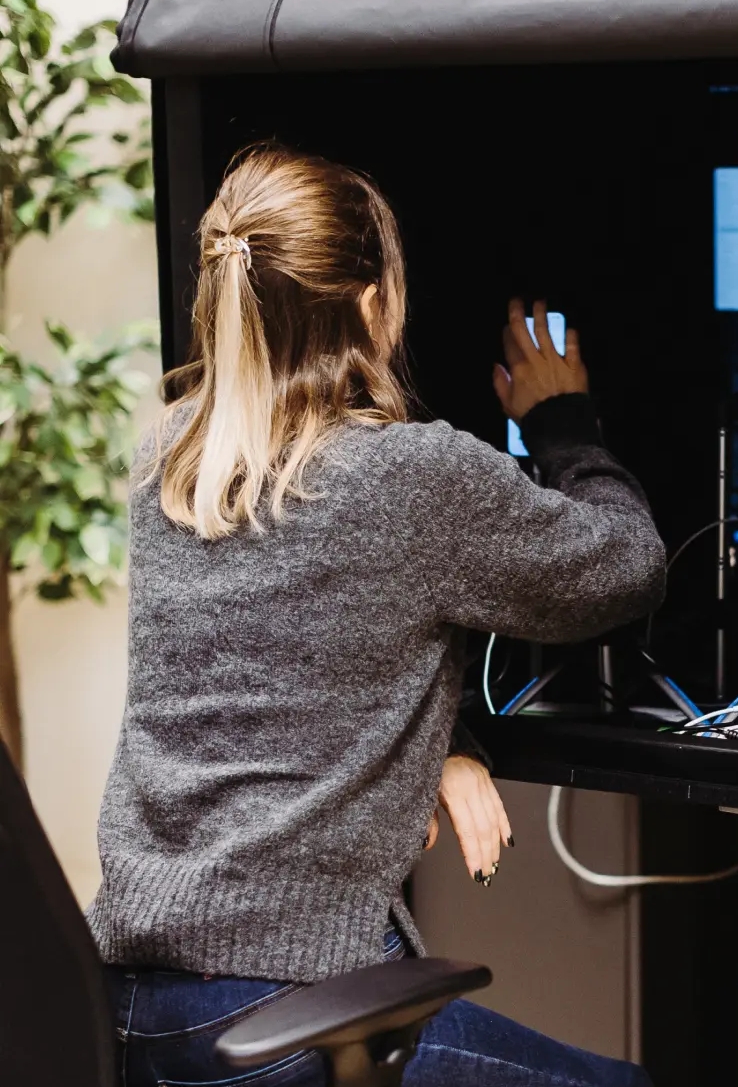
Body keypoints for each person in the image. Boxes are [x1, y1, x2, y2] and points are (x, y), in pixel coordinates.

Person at [88, 145, 665, 1087]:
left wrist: (446, 741)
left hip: (129, 1016)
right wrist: (564, 422)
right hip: (286, 1019)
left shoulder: (172, 466)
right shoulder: (405, 474)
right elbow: (624, 567)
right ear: (370, 304)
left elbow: (281, 667)